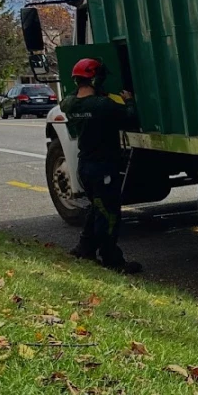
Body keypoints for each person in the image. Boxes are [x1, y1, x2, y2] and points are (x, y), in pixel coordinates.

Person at [62, 58, 142, 274]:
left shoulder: (69, 104)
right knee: (109, 215)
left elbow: (73, 99)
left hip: (85, 167)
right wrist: (129, 100)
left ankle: (84, 248)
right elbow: (131, 119)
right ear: (97, 79)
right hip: (103, 168)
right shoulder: (103, 106)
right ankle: (111, 259)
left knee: (97, 207)